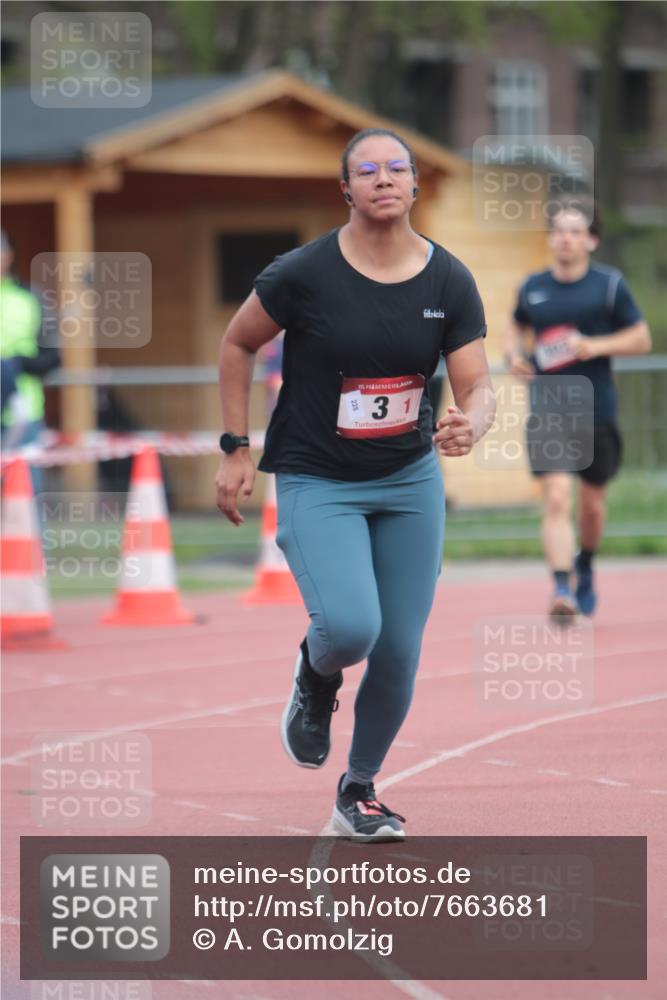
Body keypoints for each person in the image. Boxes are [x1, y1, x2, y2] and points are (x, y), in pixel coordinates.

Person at [215, 128, 494, 841]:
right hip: (317, 476)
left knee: (399, 647)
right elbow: (238, 341)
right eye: (365, 170)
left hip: (408, 479)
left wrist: (473, 423)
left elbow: (477, 384)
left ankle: (360, 788)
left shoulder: (448, 280)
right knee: (349, 629)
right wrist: (235, 448)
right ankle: (315, 674)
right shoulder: (301, 274)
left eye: (395, 168)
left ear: (414, 185)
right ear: (344, 189)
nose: (382, 179)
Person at [504, 202, 651, 620]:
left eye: (575, 231)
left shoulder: (609, 285)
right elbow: (515, 327)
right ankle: (561, 587)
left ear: (591, 240)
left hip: (597, 408)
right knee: (555, 499)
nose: (565, 238)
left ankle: (586, 562)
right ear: (550, 237)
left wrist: (595, 346)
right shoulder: (532, 286)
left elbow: (642, 339)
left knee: (591, 506)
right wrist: (514, 353)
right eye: (559, 230)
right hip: (549, 407)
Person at [0, 230, 60, 460]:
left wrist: (15, 364)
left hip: (22, 415)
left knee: (23, 493)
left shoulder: (32, 298)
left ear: (8, 256)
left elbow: (52, 356)